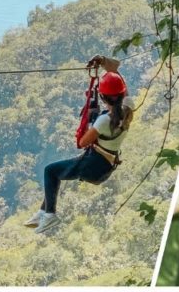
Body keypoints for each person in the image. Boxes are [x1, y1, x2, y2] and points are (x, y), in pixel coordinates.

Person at [26, 55, 132, 234]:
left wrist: (90, 120)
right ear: (121, 95)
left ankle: (50, 214)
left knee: (50, 171)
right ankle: (43, 211)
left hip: (93, 165)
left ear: (103, 97)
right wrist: (104, 62)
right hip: (105, 165)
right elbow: (119, 82)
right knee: (58, 172)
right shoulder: (128, 108)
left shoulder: (104, 121)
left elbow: (83, 142)